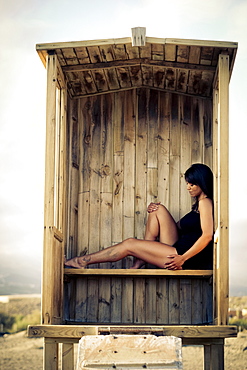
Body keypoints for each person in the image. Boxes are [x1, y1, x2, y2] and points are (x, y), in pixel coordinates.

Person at [65, 163, 214, 270]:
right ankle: (142, 258)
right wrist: (155, 212)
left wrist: (183, 258)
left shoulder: (205, 202)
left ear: (202, 183)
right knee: (158, 209)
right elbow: (178, 227)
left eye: (192, 184)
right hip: (178, 248)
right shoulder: (198, 205)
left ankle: (82, 261)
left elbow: (207, 236)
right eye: (187, 183)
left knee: (129, 244)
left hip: (184, 257)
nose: (188, 187)